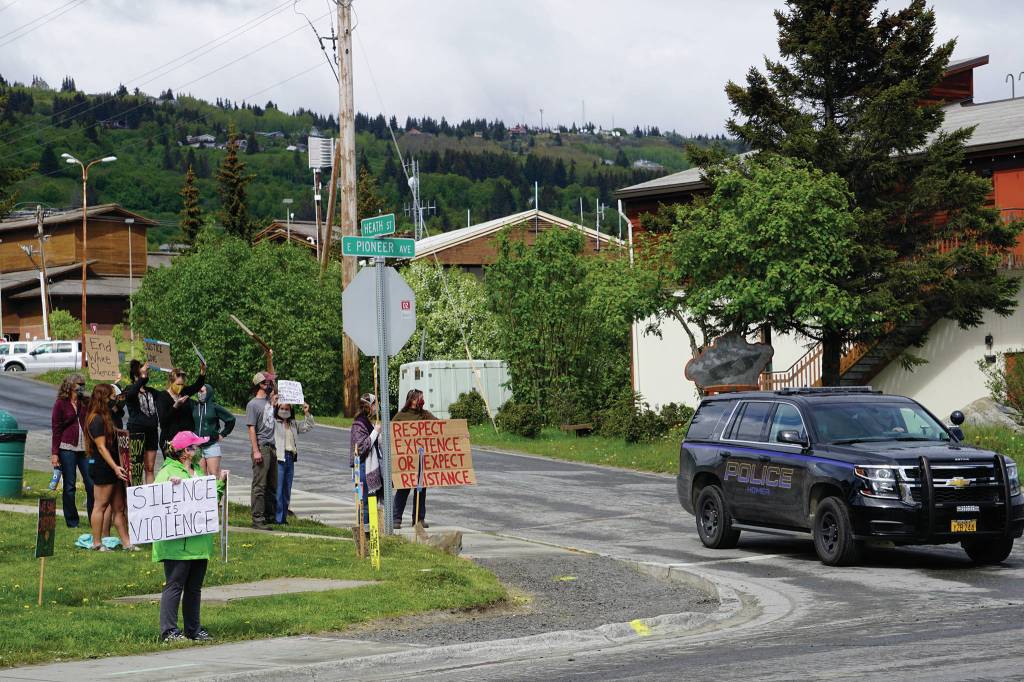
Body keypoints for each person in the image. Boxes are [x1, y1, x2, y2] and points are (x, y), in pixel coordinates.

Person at [153, 431, 228, 643]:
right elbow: (157, 500)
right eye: (195, 447)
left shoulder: (197, 471)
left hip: (198, 542)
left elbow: (209, 502)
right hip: (177, 544)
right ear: (185, 452)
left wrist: (220, 483)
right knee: (175, 584)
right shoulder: (167, 470)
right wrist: (169, 486)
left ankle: (193, 629)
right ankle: (169, 631)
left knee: (194, 587)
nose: (198, 451)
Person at [84, 383, 137, 551]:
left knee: (119, 507)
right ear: (103, 397)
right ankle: (97, 543)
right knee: (101, 504)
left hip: (116, 466)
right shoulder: (96, 419)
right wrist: (114, 467)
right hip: (103, 466)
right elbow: (101, 447)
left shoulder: (108, 417)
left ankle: (127, 543)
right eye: (112, 396)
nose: (115, 399)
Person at [50, 373, 94, 528]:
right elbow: (56, 430)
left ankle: (93, 519)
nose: (82, 387)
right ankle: (72, 521)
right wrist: (55, 453)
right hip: (67, 448)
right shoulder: (60, 404)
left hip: (85, 449)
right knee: (69, 485)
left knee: (91, 483)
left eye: (83, 384)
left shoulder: (85, 402)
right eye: (79, 384)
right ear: (70, 386)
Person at [392, 389, 437, 529]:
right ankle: (396, 519)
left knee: (421, 489)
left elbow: (440, 427)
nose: (422, 400)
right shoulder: (400, 416)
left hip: (421, 460)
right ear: (412, 400)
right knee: (403, 489)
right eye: (419, 398)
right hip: (405, 461)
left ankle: (418, 519)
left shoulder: (425, 415)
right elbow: (392, 434)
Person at [245, 372, 278, 530]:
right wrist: (256, 450)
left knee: (272, 484)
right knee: (260, 484)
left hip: (272, 447)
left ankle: (270, 515)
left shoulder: (269, 401)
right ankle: (257, 518)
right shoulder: (253, 405)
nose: (270, 385)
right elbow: (251, 429)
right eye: (267, 383)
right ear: (260, 384)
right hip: (262, 446)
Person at [273, 400, 314, 524]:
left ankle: (284, 517)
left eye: (287, 409)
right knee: (278, 489)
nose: (284, 411)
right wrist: (272, 404)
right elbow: (265, 421)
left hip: (290, 457)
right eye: (282, 408)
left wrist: (307, 413)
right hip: (279, 457)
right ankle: (277, 518)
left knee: (287, 489)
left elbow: (308, 426)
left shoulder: (293, 424)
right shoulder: (274, 423)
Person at [156, 364, 207, 455]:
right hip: (170, 439)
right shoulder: (162, 396)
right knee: (174, 466)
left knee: (186, 466)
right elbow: (163, 421)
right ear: (171, 382)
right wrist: (175, 406)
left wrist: (202, 372)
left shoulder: (184, 392)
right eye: (178, 384)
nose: (180, 387)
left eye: (182, 385)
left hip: (186, 439)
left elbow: (197, 386)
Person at [350, 393, 383, 529]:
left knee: (372, 500)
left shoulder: (368, 422)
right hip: (362, 467)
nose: (377, 407)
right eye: (375, 404)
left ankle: (373, 530)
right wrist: (375, 432)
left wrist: (378, 435)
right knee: (364, 501)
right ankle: (363, 530)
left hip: (370, 466)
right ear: (369, 406)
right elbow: (361, 447)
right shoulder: (359, 423)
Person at [124, 360, 161, 484]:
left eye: (147, 373)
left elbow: (166, 396)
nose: (146, 375)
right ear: (136, 375)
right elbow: (130, 395)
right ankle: (135, 496)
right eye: (143, 372)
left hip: (152, 431)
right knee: (136, 467)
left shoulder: (151, 391)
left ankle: (150, 497)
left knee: (149, 467)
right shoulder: (129, 389)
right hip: (136, 431)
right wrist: (141, 377)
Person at [191, 384, 235, 479]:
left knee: (213, 474)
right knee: (200, 476)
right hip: (197, 447)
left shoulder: (214, 407)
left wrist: (223, 434)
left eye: (202, 391)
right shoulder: (194, 406)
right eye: (198, 391)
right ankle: (203, 494)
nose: (199, 394)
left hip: (211, 445)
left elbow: (231, 419)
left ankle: (217, 494)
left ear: (209, 392)